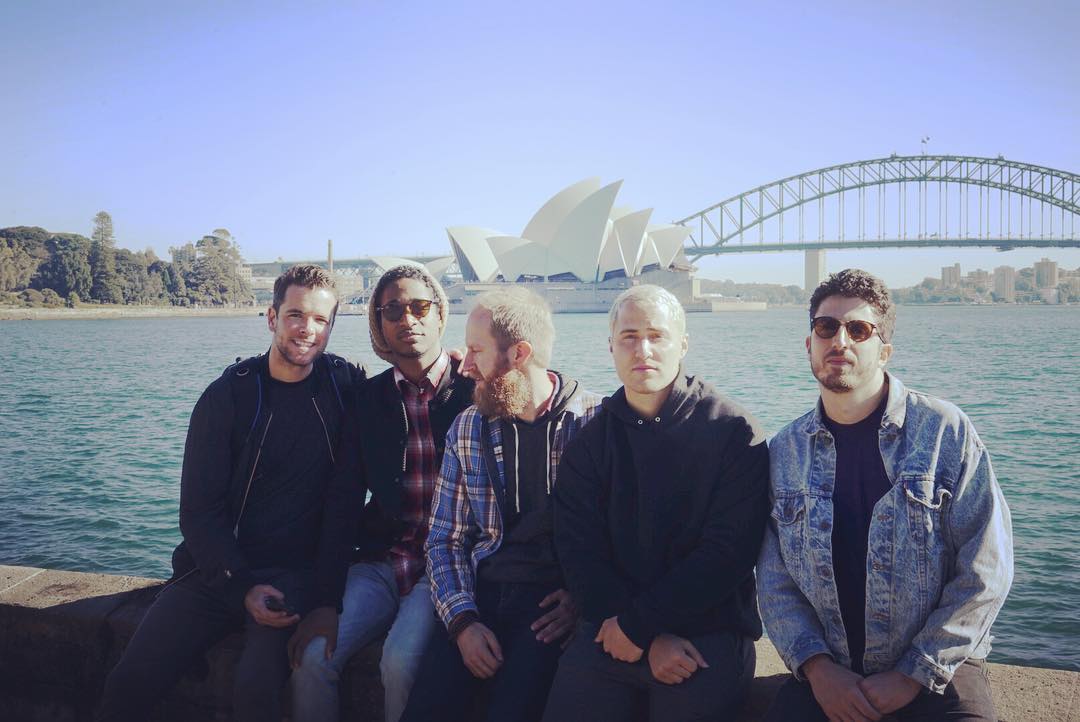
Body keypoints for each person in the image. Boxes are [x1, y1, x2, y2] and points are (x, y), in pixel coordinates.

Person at [96, 264, 362, 722]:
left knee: (256, 689)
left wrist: (460, 364)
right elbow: (198, 512)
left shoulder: (343, 388)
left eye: (321, 320)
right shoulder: (229, 396)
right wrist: (240, 585)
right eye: (296, 314)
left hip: (292, 575)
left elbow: (400, 401)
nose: (307, 329)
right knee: (129, 683)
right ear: (271, 316)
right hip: (215, 570)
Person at [757, 268, 1013, 722]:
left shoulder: (944, 431)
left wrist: (913, 674)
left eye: (859, 329)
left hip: (938, 670)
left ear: (884, 350)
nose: (840, 341)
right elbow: (775, 581)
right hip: (829, 672)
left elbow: (986, 568)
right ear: (809, 343)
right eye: (825, 326)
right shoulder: (783, 451)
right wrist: (817, 669)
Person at [543, 284, 769, 722]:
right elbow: (578, 549)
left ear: (682, 344)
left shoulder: (733, 431)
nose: (642, 349)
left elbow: (728, 554)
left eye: (656, 335)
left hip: (706, 634)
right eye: (629, 336)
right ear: (611, 346)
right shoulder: (592, 442)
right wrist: (636, 632)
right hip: (610, 627)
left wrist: (642, 626)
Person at [398, 287, 602, 722]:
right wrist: (462, 622)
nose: (464, 366)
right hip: (481, 595)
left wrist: (583, 598)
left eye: (476, 351)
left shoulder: (594, 425)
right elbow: (445, 540)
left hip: (551, 608)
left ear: (519, 353)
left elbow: (619, 534)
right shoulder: (469, 426)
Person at [290, 264, 474, 722]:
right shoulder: (367, 400)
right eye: (393, 310)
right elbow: (343, 500)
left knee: (401, 660)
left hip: (445, 567)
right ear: (379, 324)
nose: (407, 319)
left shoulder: (475, 390)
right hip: (381, 562)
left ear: (439, 316)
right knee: (313, 657)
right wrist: (324, 602)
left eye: (419, 306)